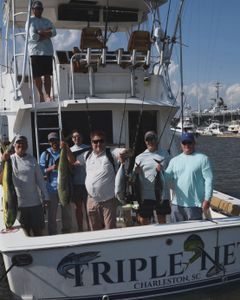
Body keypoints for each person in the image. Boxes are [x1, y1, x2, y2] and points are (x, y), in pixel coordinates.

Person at [1, 135, 49, 236]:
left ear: (27, 146)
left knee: (38, 232)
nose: (21, 145)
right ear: (14, 146)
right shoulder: (10, 159)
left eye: (23, 143)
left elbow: (40, 179)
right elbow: (2, 180)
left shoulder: (32, 160)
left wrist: (46, 196)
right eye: (18, 143)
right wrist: (3, 161)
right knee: (24, 233)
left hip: (35, 203)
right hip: (18, 205)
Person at [164, 132, 213, 222]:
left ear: (194, 143)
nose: (187, 145)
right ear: (181, 144)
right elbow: (165, 178)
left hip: (195, 205)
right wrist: (158, 170)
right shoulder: (174, 160)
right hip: (176, 205)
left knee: (193, 235)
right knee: (176, 233)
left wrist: (207, 199)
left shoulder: (203, 159)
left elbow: (209, 180)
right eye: (184, 143)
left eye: (189, 142)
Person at [84, 130, 126, 231]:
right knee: (95, 231)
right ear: (91, 143)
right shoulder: (87, 155)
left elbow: (127, 151)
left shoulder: (111, 153)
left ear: (105, 142)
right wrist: (66, 148)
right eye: (95, 141)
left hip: (108, 200)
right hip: (91, 200)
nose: (98, 144)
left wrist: (123, 154)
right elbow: (73, 161)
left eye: (101, 141)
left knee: (110, 230)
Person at [133, 131, 171, 225]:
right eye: (148, 140)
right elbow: (134, 176)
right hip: (146, 194)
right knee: (145, 220)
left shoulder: (165, 154)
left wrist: (162, 168)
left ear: (156, 140)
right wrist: (136, 172)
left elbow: (171, 169)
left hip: (162, 193)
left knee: (162, 219)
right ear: (145, 142)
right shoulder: (139, 157)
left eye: (152, 139)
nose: (150, 142)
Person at [39, 132, 72, 235]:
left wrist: (66, 147)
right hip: (51, 189)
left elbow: (72, 163)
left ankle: (66, 232)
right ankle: (53, 234)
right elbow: (41, 171)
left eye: (56, 140)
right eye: (52, 141)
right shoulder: (45, 154)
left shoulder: (64, 151)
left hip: (64, 187)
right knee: (52, 215)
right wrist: (51, 168)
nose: (54, 142)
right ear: (49, 142)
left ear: (59, 141)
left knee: (66, 212)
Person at [27, 1, 57, 102]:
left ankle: (48, 95)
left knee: (47, 75)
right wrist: (46, 33)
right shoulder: (30, 21)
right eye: (36, 8)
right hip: (35, 51)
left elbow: (54, 32)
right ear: (33, 9)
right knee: (37, 76)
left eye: (40, 8)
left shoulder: (47, 20)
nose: (39, 10)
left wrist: (40, 32)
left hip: (47, 51)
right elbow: (34, 37)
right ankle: (41, 95)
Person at [70, 130, 90, 231]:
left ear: (82, 138)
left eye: (78, 137)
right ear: (72, 139)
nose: (76, 138)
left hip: (87, 183)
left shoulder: (88, 148)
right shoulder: (69, 150)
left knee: (89, 208)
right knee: (78, 208)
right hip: (75, 184)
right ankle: (80, 229)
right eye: (74, 137)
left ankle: (90, 228)